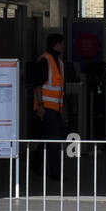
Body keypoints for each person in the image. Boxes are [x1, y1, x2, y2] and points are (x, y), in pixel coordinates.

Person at [31, 34, 66, 181]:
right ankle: (55, 173)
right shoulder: (45, 60)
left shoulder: (58, 61)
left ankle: (35, 164)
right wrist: (40, 106)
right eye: (62, 44)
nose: (64, 47)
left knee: (48, 137)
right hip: (47, 107)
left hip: (55, 108)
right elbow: (37, 85)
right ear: (56, 45)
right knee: (54, 141)